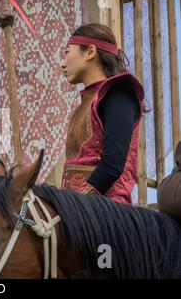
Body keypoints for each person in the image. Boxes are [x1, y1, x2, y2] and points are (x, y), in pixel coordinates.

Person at [60, 23, 144, 204]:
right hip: (79, 211)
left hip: (108, 213)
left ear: (90, 52)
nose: (62, 63)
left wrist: (73, 205)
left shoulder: (118, 94)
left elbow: (112, 165)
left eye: (67, 52)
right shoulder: (87, 101)